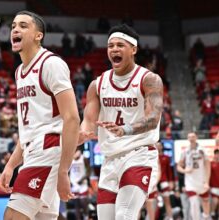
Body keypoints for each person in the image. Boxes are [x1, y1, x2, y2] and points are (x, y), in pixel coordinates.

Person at [0, 11, 80, 220]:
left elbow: (71, 118)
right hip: (33, 152)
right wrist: (11, 164)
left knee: (12, 217)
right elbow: (29, 128)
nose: (15, 29)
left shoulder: (51, 64)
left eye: (24, 26)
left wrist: (64, 170)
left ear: (38, 35)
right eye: (14, 25)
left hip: (48, 153)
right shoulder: (20, 72)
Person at [78, 23, 163, 220]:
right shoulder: (97, 85)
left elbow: (153, 118)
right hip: (110, 160)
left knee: (124, 216)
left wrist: (126, 129)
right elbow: (88, 123)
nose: (114, 49)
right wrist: (79, 135)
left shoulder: (149, 79)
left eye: (120, 45)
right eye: (111, 45)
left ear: (133, 49)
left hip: (139, 154)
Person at [177, 132, 211, 220]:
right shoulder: (185, 151)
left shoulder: (202, 150)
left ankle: (206, 217)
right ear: (187, 138)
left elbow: (208, 166)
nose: (191, 138)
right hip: (190, 182)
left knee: (205, 201)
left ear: (196, 137)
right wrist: (185, 170)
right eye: (189, 137)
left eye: (193, 136)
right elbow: (178, 166)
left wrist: (207, 182)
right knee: (194, 203)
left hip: (201, 180)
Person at [69, 148, 90, 220]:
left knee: (84, 202)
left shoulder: (84, 158)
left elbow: (89, 170)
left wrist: (84, 178)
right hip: (74, 184)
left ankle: (86, 216)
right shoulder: (69, 158)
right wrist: (69, 182)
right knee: (76, 205)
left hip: (82, 184)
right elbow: (67, 171)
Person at [156, 142, 174, 220]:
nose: (158, 147)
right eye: (156, 145)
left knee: (167, 200)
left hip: (164, 181)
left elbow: (169, 171)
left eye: (159, 146)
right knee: (153, 202)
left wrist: (171, 181)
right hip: (154, 182)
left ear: (162, 147)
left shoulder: (166, 157)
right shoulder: (151, 157)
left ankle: (170, 217)